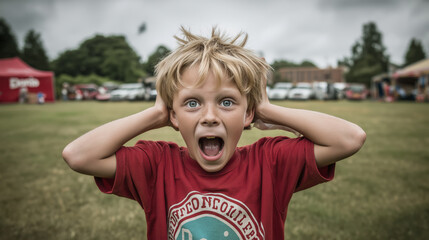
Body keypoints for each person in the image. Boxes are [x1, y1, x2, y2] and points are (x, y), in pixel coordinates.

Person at [62, 27, 366, 239]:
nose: (209, 117)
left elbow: (349, 138)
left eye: (227, 102)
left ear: (248, 113)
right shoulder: (157, 166)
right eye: (192, 103)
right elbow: (78, 155)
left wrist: (268, 112)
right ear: (174, 115)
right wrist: (155, 114)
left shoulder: (269, 163)